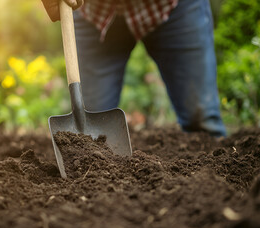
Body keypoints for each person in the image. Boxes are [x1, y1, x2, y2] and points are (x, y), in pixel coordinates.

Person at [41, 0, 227, 137]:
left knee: (202, 121)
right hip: (94, 11)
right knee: (90, 139)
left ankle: (215, 186)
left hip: (171, 7)